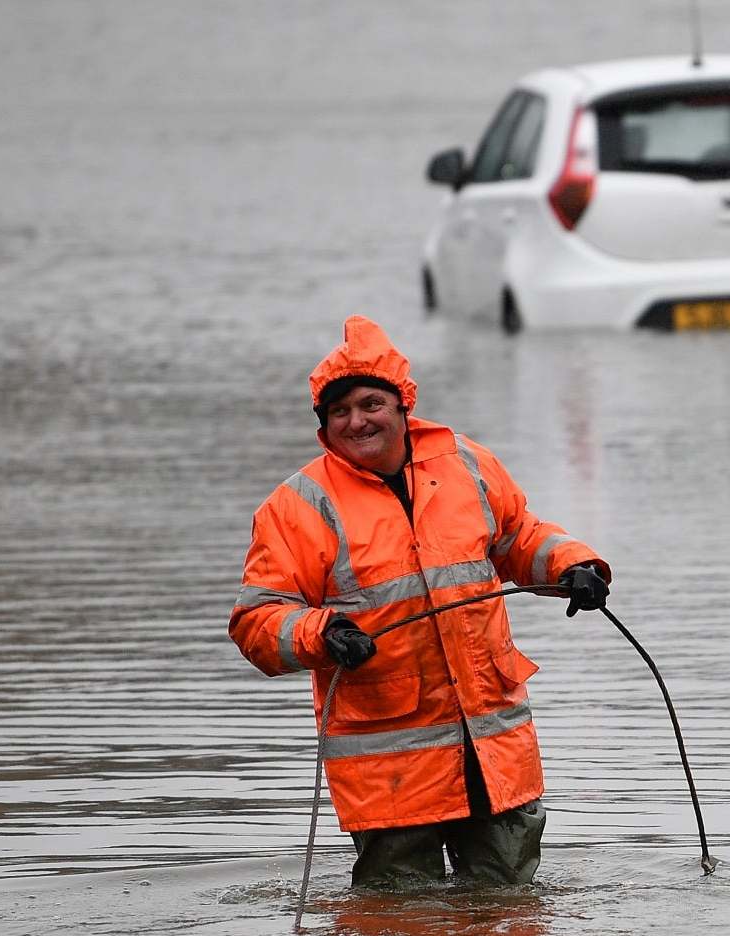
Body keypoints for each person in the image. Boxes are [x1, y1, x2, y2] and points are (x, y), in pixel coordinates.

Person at [229, 316, 611, 887]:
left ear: (402, 405)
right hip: (389, 767)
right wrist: (322, 633)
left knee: (509, 917)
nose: (356, 421)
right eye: (339, 412)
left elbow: (519, 538)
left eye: (370, 404)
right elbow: (257, 622)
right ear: (324, 427)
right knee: (401, 930)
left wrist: (573, 567)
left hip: (492, 747)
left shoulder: (468, 464)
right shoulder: (296, 506)